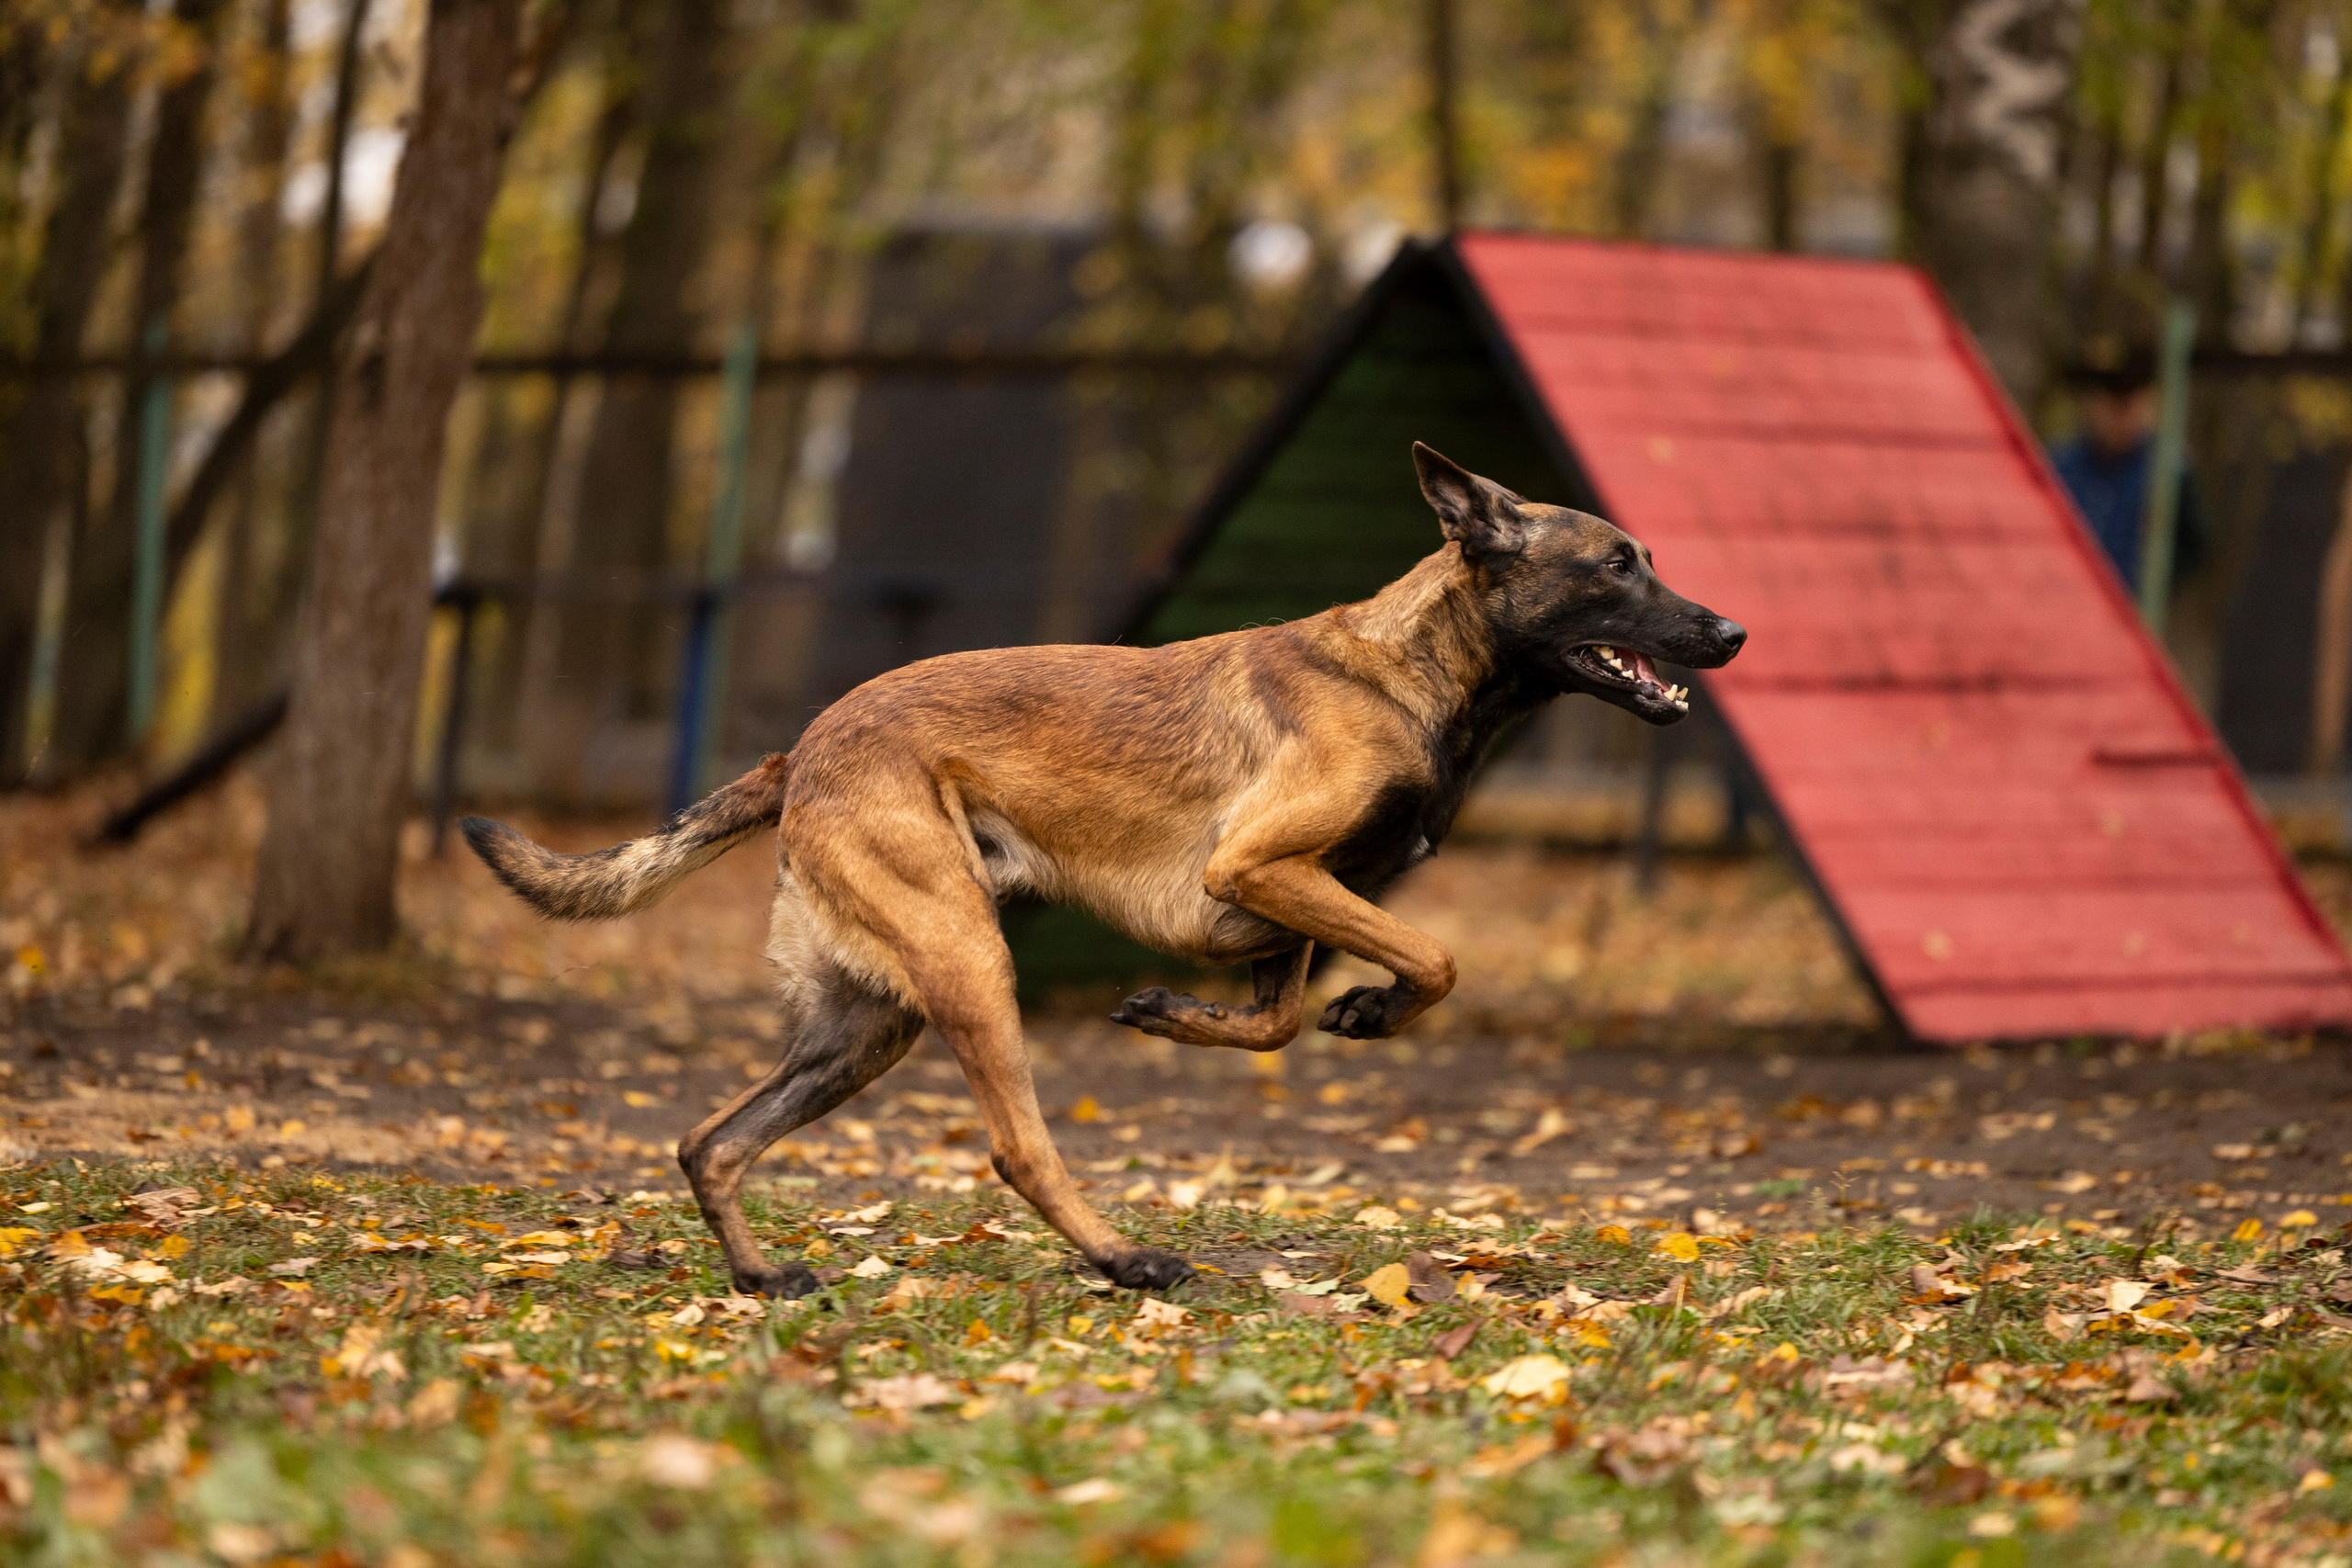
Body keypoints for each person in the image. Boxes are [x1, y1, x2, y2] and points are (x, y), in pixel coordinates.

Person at [2049, 352, 2204, 594]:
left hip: (2129, 606)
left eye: (2126, 406)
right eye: (2108, 404)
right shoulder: (2060, 464)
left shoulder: (2168, 469)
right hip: (2065, 597)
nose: (2116, 417)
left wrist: (2151, 586)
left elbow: (2193, 546)